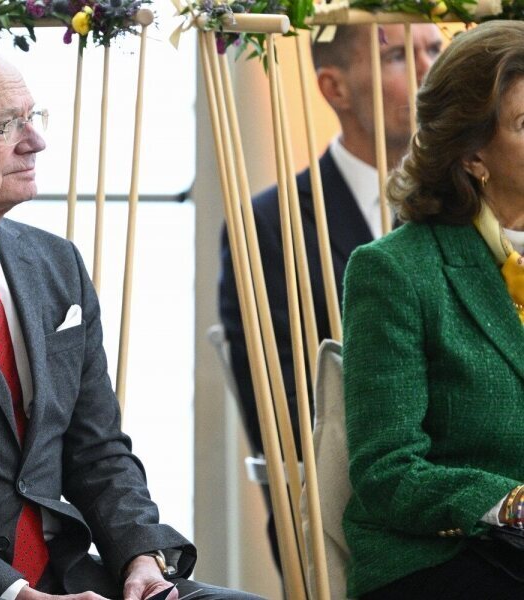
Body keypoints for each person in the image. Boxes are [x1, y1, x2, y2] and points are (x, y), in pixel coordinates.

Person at [0, 45, 264, 600]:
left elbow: (97, 446)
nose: (35, 141)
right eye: (3, 128)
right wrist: (14, 592)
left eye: (32, 117)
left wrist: (141, 556)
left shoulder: (55, 263)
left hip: (69, 571)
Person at [343, 20, 524, 600]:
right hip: (441, 556)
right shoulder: (394, 271)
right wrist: (510, 505)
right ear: (473, 155)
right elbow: (386, 470)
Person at [218, 23, 443, 459]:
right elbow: (283, 417)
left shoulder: (469, 204)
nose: (428, 71)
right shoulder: (270, 226)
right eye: (397, 56)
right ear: (334, 88)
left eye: (435, 49)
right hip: (345, 487)